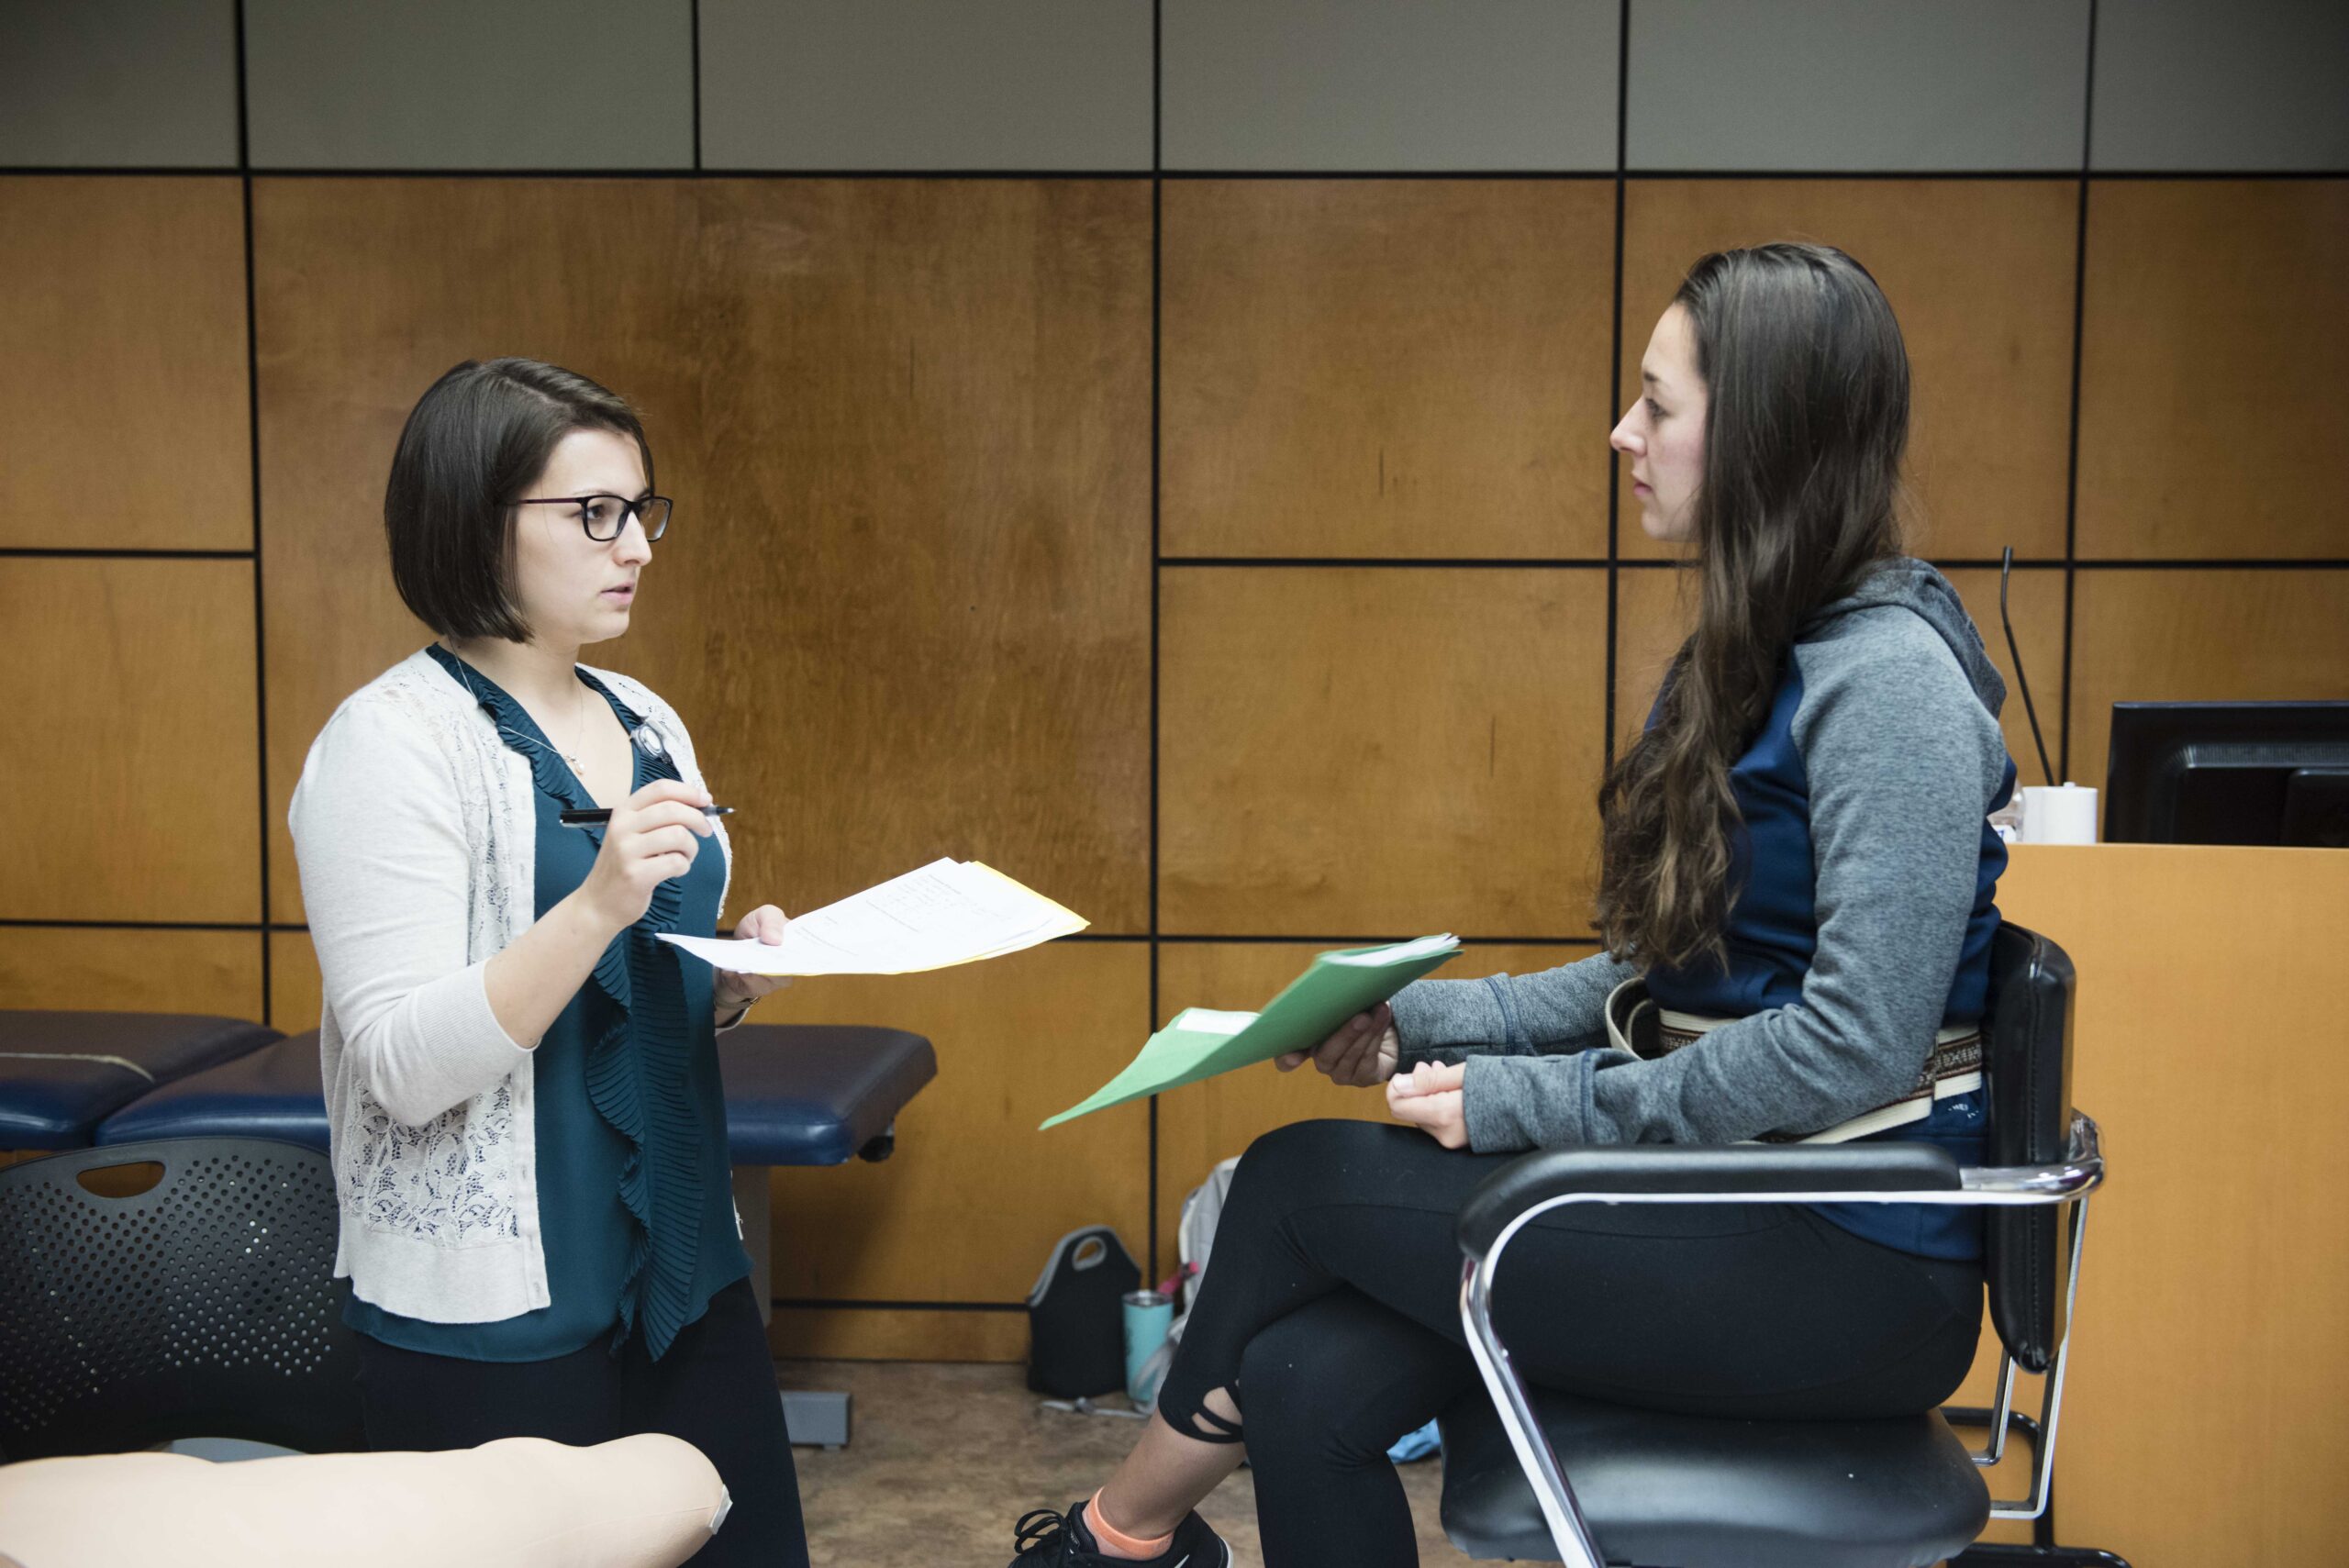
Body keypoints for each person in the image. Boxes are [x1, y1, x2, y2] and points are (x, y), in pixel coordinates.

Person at [1004, 243, 2018, 1568]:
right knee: (1306, 1380)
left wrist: (1528, 1103)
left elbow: (1856, 1044)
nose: (1621, 432)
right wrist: (1420, 1018)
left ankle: (1114, 1539)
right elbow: (1652, 985)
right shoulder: (1764, 660)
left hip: (1850, 1267)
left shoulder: (1886, 686)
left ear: (1763, 433)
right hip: (1744, 1208)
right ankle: (1126, 1537)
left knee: (1299, 1177)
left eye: (1657, 404)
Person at [290, 358, 807, 1567]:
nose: (634, 543)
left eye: (640, 509)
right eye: (593, 513)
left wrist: (728, 977)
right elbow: (404, 1067)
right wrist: (595, 904)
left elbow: (639, 979)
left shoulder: (648, 718)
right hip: (491, 1317)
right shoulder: (388, 744)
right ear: (477, 519)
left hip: (684, 1274)